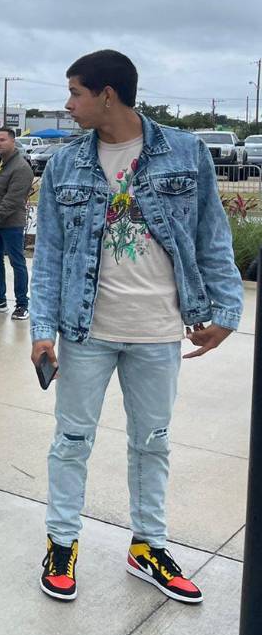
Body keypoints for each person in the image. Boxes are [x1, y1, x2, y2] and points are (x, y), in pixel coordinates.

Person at [32, 50, 240, 604]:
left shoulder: (187, 152)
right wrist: (42, 330)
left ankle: (148, 546)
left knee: (152, 444)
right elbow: (48, 255)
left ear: (107, 95)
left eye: (75, 92)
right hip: (86, 330)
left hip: (159, 329)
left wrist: (226, 312)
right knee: (71, 441)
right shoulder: (64, 165)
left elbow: (212, 237)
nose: (68, 104)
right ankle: (61, 542)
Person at [0, 126, 34, 320]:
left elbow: (12, 201)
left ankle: (22, 304)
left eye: (2, 140)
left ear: (13, 141)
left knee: (17, 262)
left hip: (11, 224)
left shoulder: (21, 168)